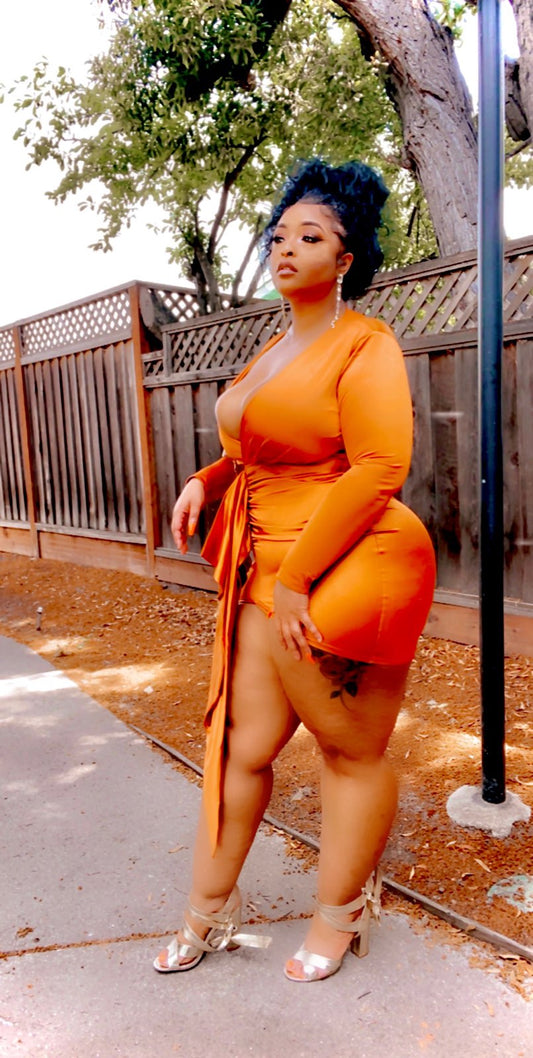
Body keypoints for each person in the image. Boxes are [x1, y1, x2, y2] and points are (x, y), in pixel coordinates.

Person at [153, 158, 436, 983]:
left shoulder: (365, 343)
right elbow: (259, 445)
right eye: (279, 235)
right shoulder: (273, 348)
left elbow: (378, 466)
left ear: (344, 259)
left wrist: (296, 581)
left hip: (335, 572)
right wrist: (208, 479)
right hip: (260, 572)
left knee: (348, 752)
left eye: (309, 238)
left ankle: (339, 916)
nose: (285, 249)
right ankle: (207, 911)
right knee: (239, 749)